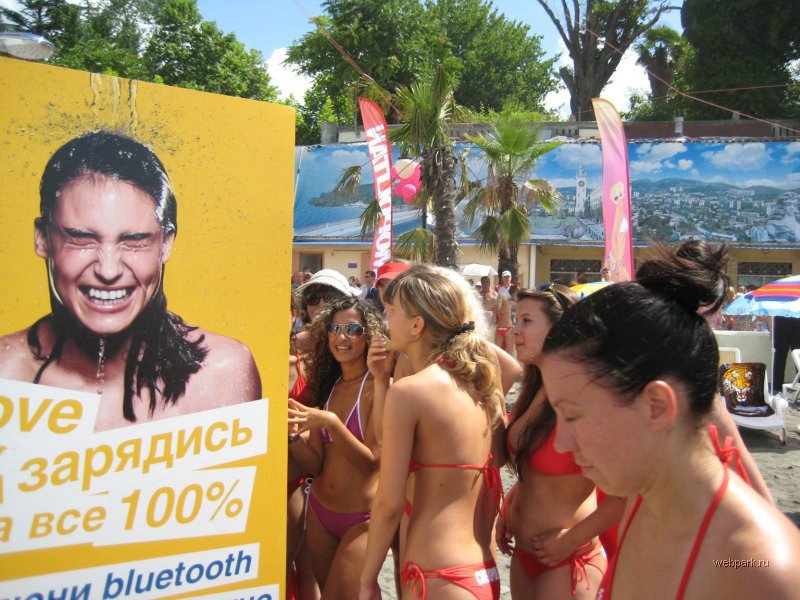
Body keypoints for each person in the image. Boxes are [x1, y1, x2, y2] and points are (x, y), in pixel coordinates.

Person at [540, 241, 800, 599]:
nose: (560, 443)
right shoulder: (645, 504)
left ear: (658, 406)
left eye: (571, 414)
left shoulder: (757, 568)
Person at [0, 130, 261, 430]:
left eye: (134, 241)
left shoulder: (221, 375)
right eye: (81, 239)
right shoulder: (6, 372)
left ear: (166, 244)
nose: (109, 270)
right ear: (43, 238)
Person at [359, 265, 506, 600]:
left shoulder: (411, 391)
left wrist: (368, 579)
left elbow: (389, 503)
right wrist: (381, 379)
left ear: (416, 325)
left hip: (436, 572)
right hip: (482, 568)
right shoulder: (482, 384)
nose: (385, 319)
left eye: (392, 310)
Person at [498, 284, 615, 598]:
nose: (515, 329)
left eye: (526, 321)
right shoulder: (537, 388)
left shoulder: (587, 397)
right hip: (525, 555)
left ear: (560, 330)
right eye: (516, 320)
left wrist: (571, 540)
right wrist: (512, 502)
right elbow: (540, 468)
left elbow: (627, 494)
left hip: (568, 559)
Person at [288, 297, 385, 598]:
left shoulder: (378, 387)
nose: (341, 337)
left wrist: (330, 422)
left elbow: (372, 462)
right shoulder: (330, 385)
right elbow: (316, 464)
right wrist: (292, 438)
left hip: (361, 519)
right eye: (334, 328)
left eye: (352, 329)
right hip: (319, 515)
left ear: (368, 335)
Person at [293, 269, 357, 353]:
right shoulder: (294, 345)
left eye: (330, 297)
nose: (321, 305)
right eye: (312, 297)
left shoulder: (358, 343)